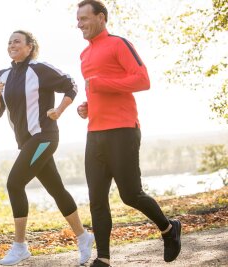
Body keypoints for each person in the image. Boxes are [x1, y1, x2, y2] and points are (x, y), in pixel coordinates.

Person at [75, 1, 182, 266]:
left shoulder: (118, 44)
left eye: (84, 18)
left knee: (130, 194)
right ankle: (103, 259)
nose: (79, 24)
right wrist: (87, 107)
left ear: (101, 18)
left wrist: (102, 85)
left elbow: (142, 80)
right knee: (96, 200)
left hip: (122, 130)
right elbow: (97, 91)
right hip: (94, 133)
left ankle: (169, 229)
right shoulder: (84, 55)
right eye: (77, 19)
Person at [0, 30, 94, 266]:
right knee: (56, 189)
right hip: (28, 143)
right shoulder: (2, 75)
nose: (11, 44)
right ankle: (83, 237)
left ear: (30, 46)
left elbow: (71, 85)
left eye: (17, 41)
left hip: (44, 137)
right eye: (9, 41)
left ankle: (20, 246)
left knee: (14, 183)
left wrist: (59, 110)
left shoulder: (39, 69)